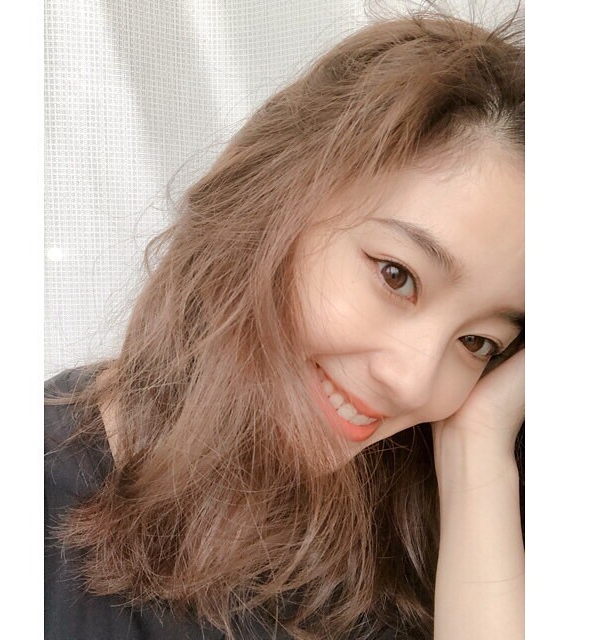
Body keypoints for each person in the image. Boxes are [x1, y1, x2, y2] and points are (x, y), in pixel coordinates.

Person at [45, 8, 525, 640]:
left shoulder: (479, 504)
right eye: (396, 276)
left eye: (477, 342)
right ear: (275, 199)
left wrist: (475, 453)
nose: (413, 383)